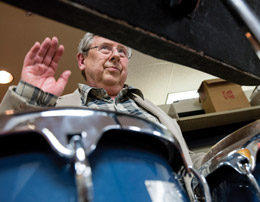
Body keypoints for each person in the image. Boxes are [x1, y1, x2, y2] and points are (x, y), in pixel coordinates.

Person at [0, 32, 204, 168]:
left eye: (122, 51)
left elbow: (190, 163)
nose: (116, 55)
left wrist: (228, 151)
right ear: (82, 60)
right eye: (105, 48)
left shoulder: (155, 113)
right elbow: (11, 151)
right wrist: (31, 96)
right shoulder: (58, 109)